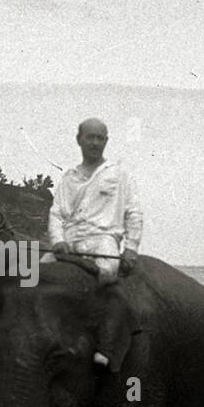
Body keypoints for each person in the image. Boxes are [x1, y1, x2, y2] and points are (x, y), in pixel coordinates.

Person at [47, 118, 142, 285]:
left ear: (106, 141)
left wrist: (131, 248)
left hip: (103, 242)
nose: (95, 143)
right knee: (33, 277)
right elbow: (56, 214)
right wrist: (58, 241)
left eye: (100, 138)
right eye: (90, 137)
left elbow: (133, 213)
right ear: (79, 139)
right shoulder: (69, 178)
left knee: (106, 273)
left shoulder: (120, 174)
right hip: (69, 242)